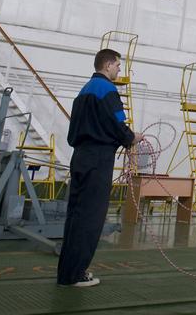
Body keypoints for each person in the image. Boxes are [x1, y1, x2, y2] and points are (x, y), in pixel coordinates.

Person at [57, 48, 144, 288]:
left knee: (75, 216)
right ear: (107, 65)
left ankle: (66, 272)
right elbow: (116, 124)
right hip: (98, 159)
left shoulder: (84, 90)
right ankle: (76, 274)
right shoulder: (107, 90)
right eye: (117, 65)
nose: (119, 70)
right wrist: (131, 137)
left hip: (80, 157)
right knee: (90, 218)